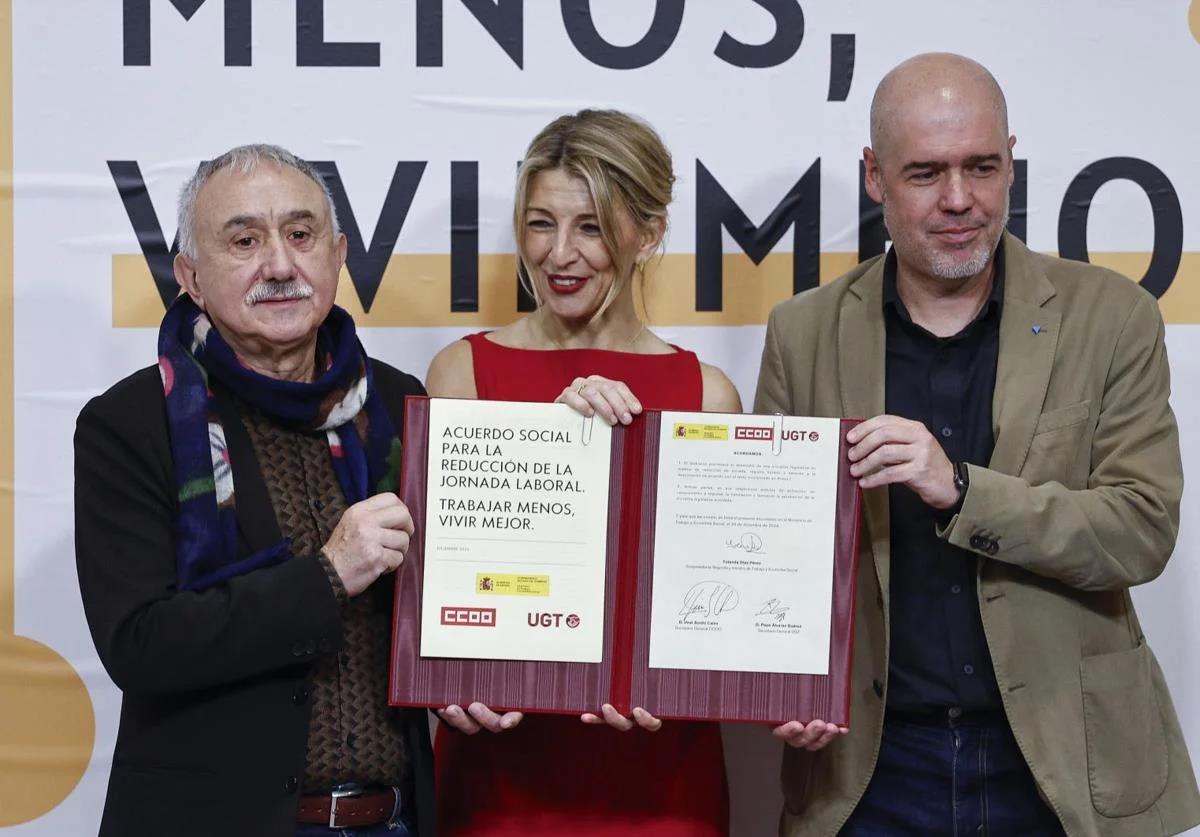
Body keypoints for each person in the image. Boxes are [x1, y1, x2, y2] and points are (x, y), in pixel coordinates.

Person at [755, 52, 1200, 836]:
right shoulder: (805, 331)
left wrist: (963, 488)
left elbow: (1142, 528)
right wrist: (781, 683)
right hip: (869, 775)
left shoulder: (1112, 317)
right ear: (874, 177)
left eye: (982, 167)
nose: (959, 199)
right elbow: (768, 549)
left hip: (1064, 763)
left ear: (1011, 163)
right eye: (925, 173)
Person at [75, 144, 436, 837]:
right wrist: (328, 575)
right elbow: (139, 643)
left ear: (336, 256)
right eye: (244, 240)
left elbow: (439, 603)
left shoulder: (395, 402)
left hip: (392, 819)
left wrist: (477, 686)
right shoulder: (132, 424)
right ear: (191, 277)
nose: (279, 264)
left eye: (300, 235)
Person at [425, 109, 742, 836]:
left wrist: (695, 672)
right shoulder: (463, 372)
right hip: (502, 774)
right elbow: (442, 587)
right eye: (540, 223)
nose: (559, 254)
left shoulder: (707, 394)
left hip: (662, 775)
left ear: (650, 232)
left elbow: (714, 595)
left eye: (592, 226)